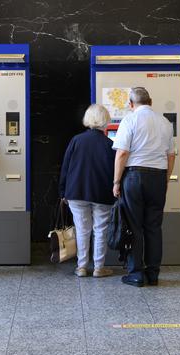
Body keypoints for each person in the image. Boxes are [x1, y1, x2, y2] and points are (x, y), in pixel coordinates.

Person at [112, 87, 175, 287]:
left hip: (134, 176)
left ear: (131, 104)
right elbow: (171, 155)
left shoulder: (129, 120)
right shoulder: (165, 122)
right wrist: (165, 179)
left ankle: (136, 273)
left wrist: (116, 181)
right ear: (151, 101)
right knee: (154, 227)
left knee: (134, 226)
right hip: (157, 176)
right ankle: (153, 274)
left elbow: (122, 153)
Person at [59, 104, 116, 278]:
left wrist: (63, 191)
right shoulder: (110, 144)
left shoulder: (76, 140)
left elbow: (66, 168)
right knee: (100, 229)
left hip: (76, 191)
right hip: (102, 192)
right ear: (105, 120)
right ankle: (99, 267)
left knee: (82, 229)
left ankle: (81, 267)